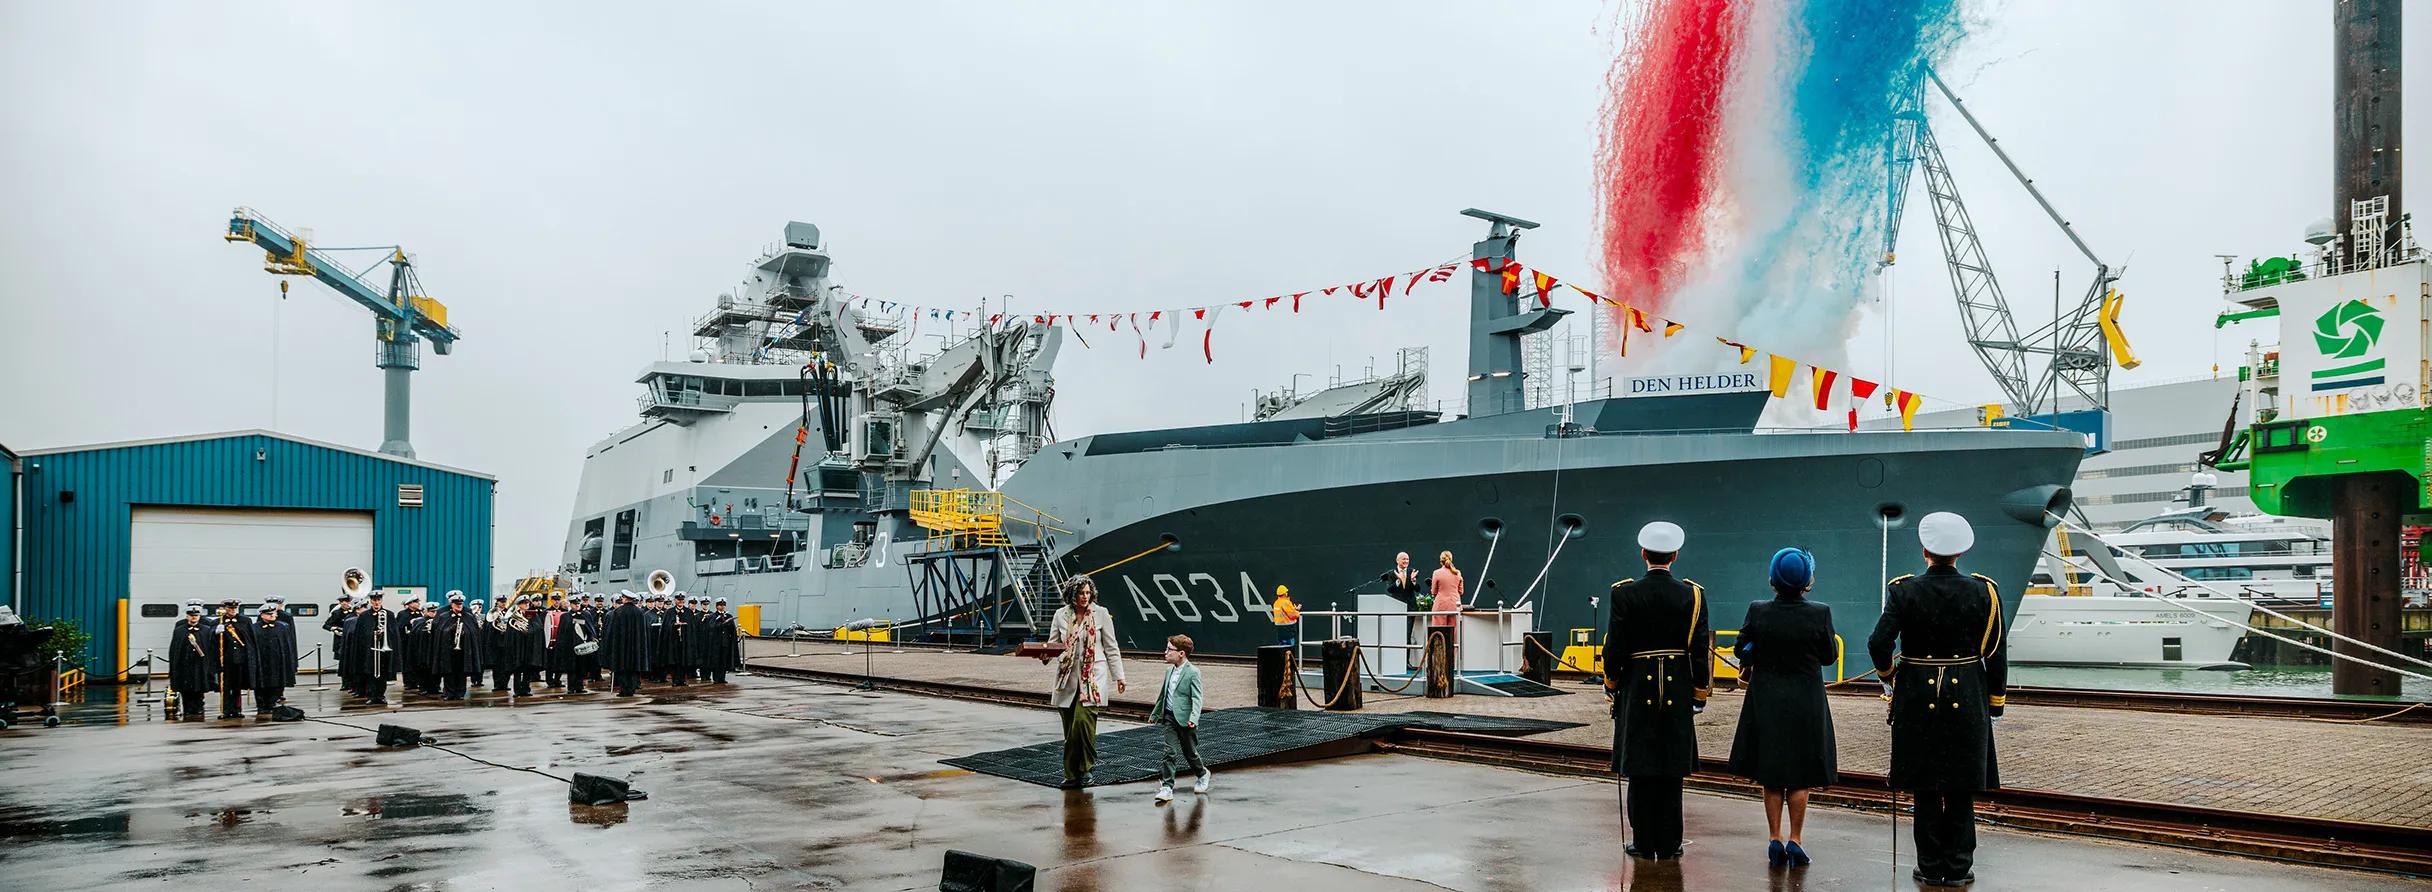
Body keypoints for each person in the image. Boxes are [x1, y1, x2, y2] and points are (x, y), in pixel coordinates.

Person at [1869, 512, 2008, 888]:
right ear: (1961, 552)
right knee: (1962, 785)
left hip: (1916, 692)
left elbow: (1878, 643)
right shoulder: (1985, 591)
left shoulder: (1903, 590)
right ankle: (1959, 867)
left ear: (1925, 550)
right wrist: (1995, 702)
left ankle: (1929, 866)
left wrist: (1889, 680)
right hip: (1967, 690)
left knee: (1925, 784)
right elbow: (1995, 652)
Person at [1605, 521, 1711, 859]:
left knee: (1639, 769)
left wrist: (1612, 684)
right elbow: (1698, 651)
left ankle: (1644, 841)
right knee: (1672, 771)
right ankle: (1671, 842)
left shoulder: (1623, 593)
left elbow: (1614, 649)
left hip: (1637, 690)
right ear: (1675, 556)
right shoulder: (1693, 595)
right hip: (1678, 689)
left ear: (1643, 554)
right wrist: (1698, 693)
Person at [1728, 547, 1839, 868]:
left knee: (1773, 775)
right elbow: (1829, 655)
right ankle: (1796, 839)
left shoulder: (1758, 610)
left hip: (1767, 699)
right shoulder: (1820, 612)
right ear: (1807, 582)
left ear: (1773, 580)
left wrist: (1753, 657)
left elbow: (1741, 648)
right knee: (1800, 775)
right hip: (1806, 699)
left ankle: (1774, 838)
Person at [1040, 575, 1125, 788]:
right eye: (1080, 593)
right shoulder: (1060, 615)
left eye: (1088, 593)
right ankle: (1071, 775)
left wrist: (1119, 676)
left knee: (1083, 726)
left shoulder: (1101, 614)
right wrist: (1044, 656)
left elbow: (1111, 648)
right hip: (1067, 679)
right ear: (1072, 594)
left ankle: (1084, 770)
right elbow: (1053, 645)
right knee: (1070, 731)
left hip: (1093, 679)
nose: (1085, 597)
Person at [1150, 634, 1209, 803]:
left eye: (1169, 649)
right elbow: (1163, 695)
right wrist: (1155, 714)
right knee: (1170, 751)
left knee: (1190, 752)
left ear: (1181, 653)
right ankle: (1167, 787)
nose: (1166, 652)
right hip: (1169, 717)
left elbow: (1197, 698)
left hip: (1185, 719)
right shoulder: (1169, 671)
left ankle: (1202, 773)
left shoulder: (1193, 672)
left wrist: (1193, 718)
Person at [345, 590, 398, 706]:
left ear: (381, 601)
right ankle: (372, 696)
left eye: (378, 600)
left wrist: (384, 636)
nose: (376, 603)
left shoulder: (389, 614)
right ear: (370, 601)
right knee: (370, 674)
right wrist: (372, 635)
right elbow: (360, 634)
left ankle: (381, 696)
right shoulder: (364, 616)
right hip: (369, 651)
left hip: (383, 652)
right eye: (374, 600)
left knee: (382, 674)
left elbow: (393, 633)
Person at [166, 601, 215, 719]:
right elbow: (175, 650)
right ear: (187, 616)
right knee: (186, 689)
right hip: (185, 664)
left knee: (199, 688)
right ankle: (188, 709)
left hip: (200, 664)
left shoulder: (206, 630)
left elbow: (209, 649)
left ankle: (198, 708)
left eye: (196, 615)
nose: (194, 617)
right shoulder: (180, 630)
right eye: (191, 615)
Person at [432, 591, 484, 700]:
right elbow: (439, 631)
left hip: (464, 649)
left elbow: (473, 631)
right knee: (449, 672)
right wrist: (450, 630)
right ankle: (449, 693)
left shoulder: (468, 615)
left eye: (460, 604)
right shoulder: (444, 616)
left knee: (462, 672)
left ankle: (460, 693)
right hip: (448, 649)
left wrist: (465, 631)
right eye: (456, 604)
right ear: (451, 604)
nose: (459, 606)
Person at [212, 598, 255, 720]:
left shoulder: (245, 621)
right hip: (225, 658)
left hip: (239, 658)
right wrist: (215, 631)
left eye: (235, 608)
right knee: (225, 686)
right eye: (230, 608)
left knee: (237, 685)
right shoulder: (219, 621)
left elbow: (250, 639)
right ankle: (226, 710)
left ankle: (237, 709)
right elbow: (211, 639)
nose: (232, 610)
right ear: (225, 609)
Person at [603, 590, 652, 696]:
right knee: (634, 668)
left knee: (622, 668)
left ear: (624, 598)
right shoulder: (639, 612)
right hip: (636, 646)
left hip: (621, 646)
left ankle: (624, 689)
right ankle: (632, 689)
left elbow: (613, 631)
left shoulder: (618, 612)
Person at [249, 603, 296, 713]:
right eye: (269, 614)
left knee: (277, 684)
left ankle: (272, 703)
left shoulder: (282, 627)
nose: (272, 616)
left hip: (277, 661)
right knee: (261, 684)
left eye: (273, 613)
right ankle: (261, 705)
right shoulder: (254, 628)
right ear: (262, 615)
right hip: (262, 662)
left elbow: (287, 645)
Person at [324, 593, 357, 697]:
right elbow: (326, 625)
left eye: (346, 601)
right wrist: (333, 629)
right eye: (342, 602)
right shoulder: (336, 613)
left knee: (352, 662)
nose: (344, 603)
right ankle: (345, 683)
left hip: (351, 640)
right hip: (340, 640)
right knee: (343, 663)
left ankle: (353, 684)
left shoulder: (354, 612)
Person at [704, 597, 742, 684]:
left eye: (724, 605)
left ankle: (722, 677)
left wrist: (728, 624)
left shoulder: (728, 616)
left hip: (725, 642)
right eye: (720, 605)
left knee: (724, 660)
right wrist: (722, 624)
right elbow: (711, 628)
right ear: (717, 606)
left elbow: (732, 630)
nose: (722, 607)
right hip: (716, 643)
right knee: (716, 661)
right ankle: (716, 678)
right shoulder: (712, 616)